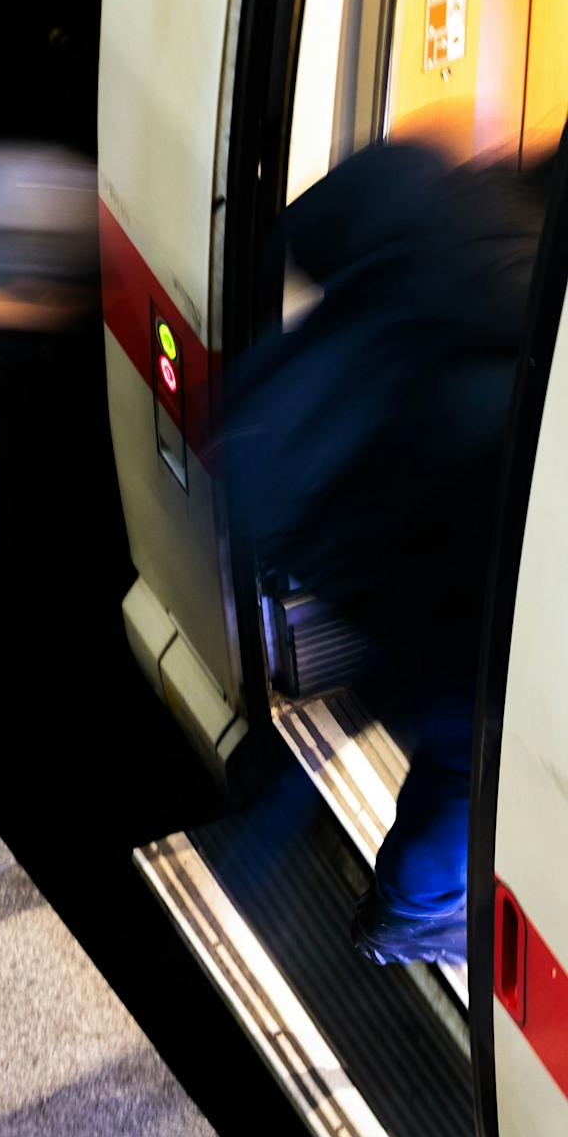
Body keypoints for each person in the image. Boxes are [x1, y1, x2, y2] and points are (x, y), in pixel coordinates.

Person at [223, 138, 542, 965]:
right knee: (471, 747)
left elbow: (304, 227)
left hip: (287, 455)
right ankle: (413, 913)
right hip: (385, 536)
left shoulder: (469, 197)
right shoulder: (527, 401)